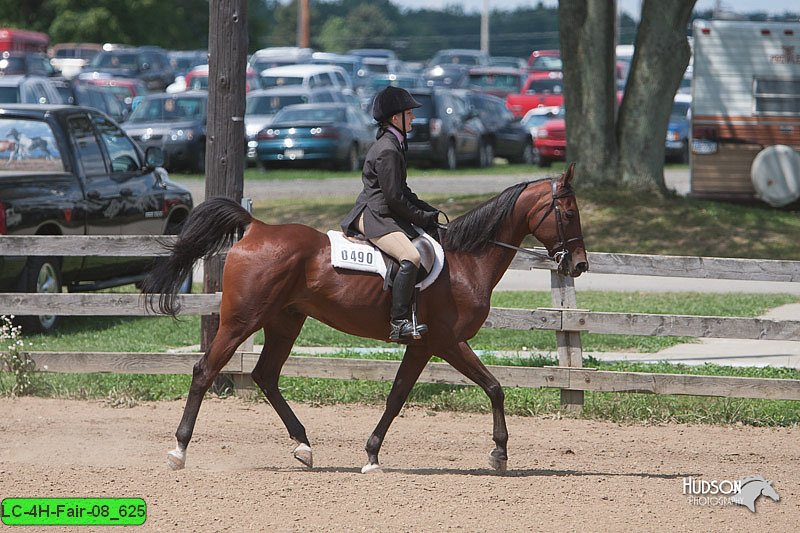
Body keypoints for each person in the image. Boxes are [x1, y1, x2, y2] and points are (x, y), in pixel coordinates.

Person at [341, 85, 442, 343]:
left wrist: (428, 210)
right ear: (396, 118)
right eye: (410, 114)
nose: (414, 118)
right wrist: (420, 218)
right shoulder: (387, 149)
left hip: (384, 211)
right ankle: (399, 322)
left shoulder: (392, 144)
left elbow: (402, 190)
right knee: (411, 256)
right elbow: (393, 197)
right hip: (375, 214)